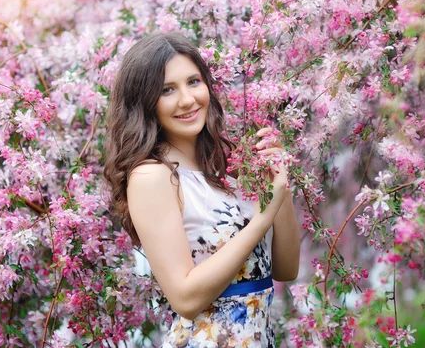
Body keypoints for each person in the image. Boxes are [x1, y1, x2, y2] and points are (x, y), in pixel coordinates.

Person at [103, 32, 300, 347]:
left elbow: (286, 269)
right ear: (145, 102)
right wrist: (262, 217)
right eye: (167, 90)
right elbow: (185, 298)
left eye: (193, 82)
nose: (187, 99)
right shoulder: (153, 176)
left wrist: (280, 187)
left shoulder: (226, 170)